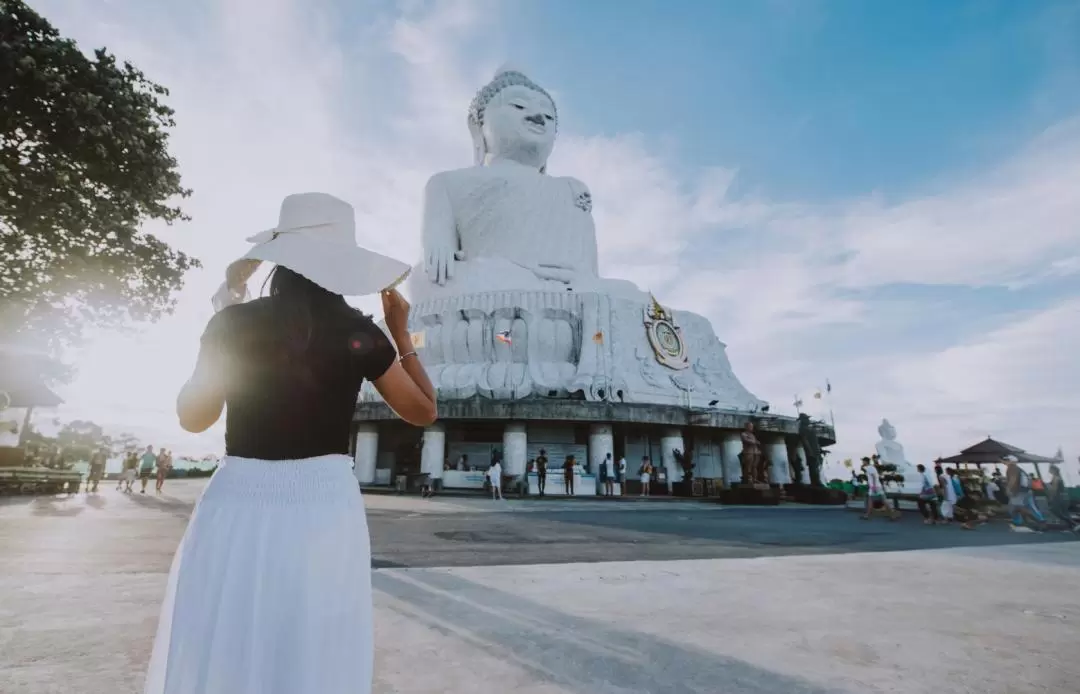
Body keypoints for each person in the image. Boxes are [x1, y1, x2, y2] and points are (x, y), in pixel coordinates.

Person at [143, 193, 436, 694]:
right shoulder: (358, 332)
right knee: (313, 642)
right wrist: (400, 332)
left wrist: (224, 318)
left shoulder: (232, 324)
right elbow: (423, 411)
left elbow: (194, 418)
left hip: (236, 497)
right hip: (324, 503)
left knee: (228, 634)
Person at [1004, 455, 1044, 531]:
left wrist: (1008, 489)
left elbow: (1013, 479)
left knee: (1016, 507)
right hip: (1027, 490)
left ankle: (1020, 522)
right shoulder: (1019, 469)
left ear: (1011, 461)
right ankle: (1040, 520)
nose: (1005, 462)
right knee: (1031, 507)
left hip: (1018, 491)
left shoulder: (1012, 468)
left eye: (1006, 460)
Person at [861, 457, 898, 521]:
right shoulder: (870, 467)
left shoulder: (869, 468)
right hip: (875, 486)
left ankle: (892, 514)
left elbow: (874, 477)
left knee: (881, 501)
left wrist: (874, 487)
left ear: (866, 461)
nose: (862, 462)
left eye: (863, 461)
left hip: (875, 487)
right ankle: (867, 515)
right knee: (874, 500)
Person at [1046, 464, 1077, 532]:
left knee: (1054, 510)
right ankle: (1072, 526)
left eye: (1050, 469)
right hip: (1064, 497)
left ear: (1053, 470)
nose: (1049, 471)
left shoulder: (1056, 478)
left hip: (1059, 497)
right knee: (1065, 513)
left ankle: (1073, 524)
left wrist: (1051, 498)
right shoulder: (1058, 477)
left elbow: (1054, 489)